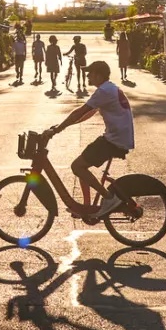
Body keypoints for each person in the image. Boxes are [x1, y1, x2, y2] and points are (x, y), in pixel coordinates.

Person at [40, 60, 134, 217]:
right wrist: (63, 126)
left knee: (77, 166)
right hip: (118, 137)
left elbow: (80, 111)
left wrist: (57, 129)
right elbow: (88, 113)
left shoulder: (104, 91)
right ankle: (86, 207)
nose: (88, 76)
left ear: (99, 75)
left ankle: (109, 198)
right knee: (82, 164)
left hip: (114, 140)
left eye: (90, 73)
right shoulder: (108, 89)